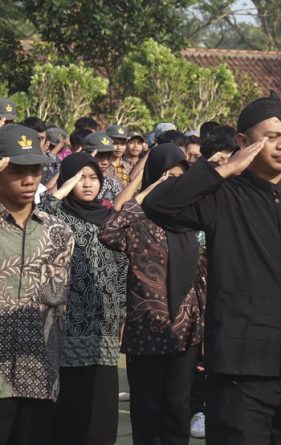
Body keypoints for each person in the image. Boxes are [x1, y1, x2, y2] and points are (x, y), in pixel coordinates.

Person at [141, 94, 281, 444]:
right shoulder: (222, 194)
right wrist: (222, 170)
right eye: (271, 137)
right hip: (239, 367)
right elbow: (159, 205)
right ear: (244, 142)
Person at [100, 143, 206, 445]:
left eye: (177, 177)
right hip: (146, 328)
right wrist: (144, 196)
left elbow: (204, 277)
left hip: (185, 329)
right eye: (163, 177)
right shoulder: (139, 222)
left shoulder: (193, 218)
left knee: (178, 406)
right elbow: (107, 232)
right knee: (147, 410)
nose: (170, 183)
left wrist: (204, 328)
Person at [41, 152, 128, 445]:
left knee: (100, 401)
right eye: (80, 178)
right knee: (70, 401)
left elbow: (121, 268)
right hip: (67, 322)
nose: (88, 184)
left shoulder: (110, 219)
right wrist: (65, 186)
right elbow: (42, 206)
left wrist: (121, 316)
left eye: (93, 178)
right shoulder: (56, 216)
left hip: (103, 323)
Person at [0, 124, 75, 445]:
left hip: (38, 370)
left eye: (35, 170)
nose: (30, 180)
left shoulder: (59, 232)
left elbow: (58, 302)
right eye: (17, 170)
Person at [82, 132, 124, 203]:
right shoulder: (73, 181)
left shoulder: (113, 185)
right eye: (99, 156)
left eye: (108, 156)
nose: (105, 162)